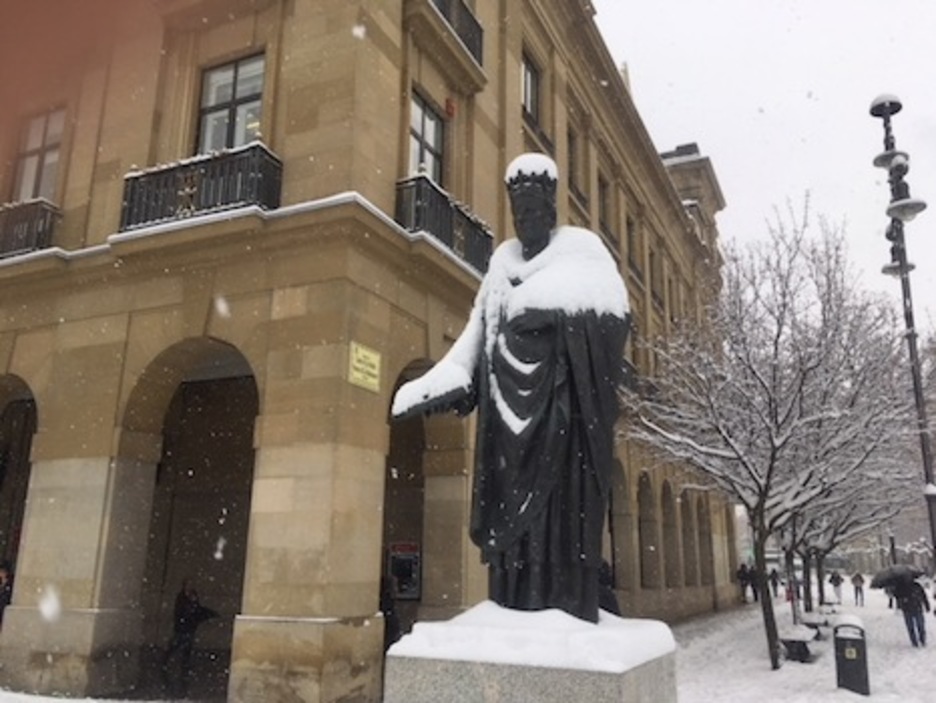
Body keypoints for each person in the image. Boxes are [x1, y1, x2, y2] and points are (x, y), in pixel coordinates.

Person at [392, 153, 630, 623]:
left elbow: (615, 315)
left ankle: (561, 606)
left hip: (562, 426)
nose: (528, 221)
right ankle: (514, 607)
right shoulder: (501, 261)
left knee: (558, 523)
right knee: (515, 541)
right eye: (521, 213)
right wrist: (429, 390)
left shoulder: (581, 252)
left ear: (553, 210)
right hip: (506, 431)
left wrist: (549, 313)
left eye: (537, 212)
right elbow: (472, 343)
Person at [162, 581, 218, 693]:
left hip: (189, 628)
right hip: (182, 628)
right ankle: (166, 661)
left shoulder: (193, 596)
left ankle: (183, 665)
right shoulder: (182, 598)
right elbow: (182, 612)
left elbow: (196, 610)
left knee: (186, 647)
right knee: (176, 644)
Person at [893, 578, 930, 647]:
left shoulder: (917, 586)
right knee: (911, 627)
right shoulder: (901, 587)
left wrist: (926, 605)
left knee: (920, 625)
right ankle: (914, 642)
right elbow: (896, 595)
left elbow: (923, 596)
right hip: (907, 609)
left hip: (917, 608)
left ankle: (922, 640)